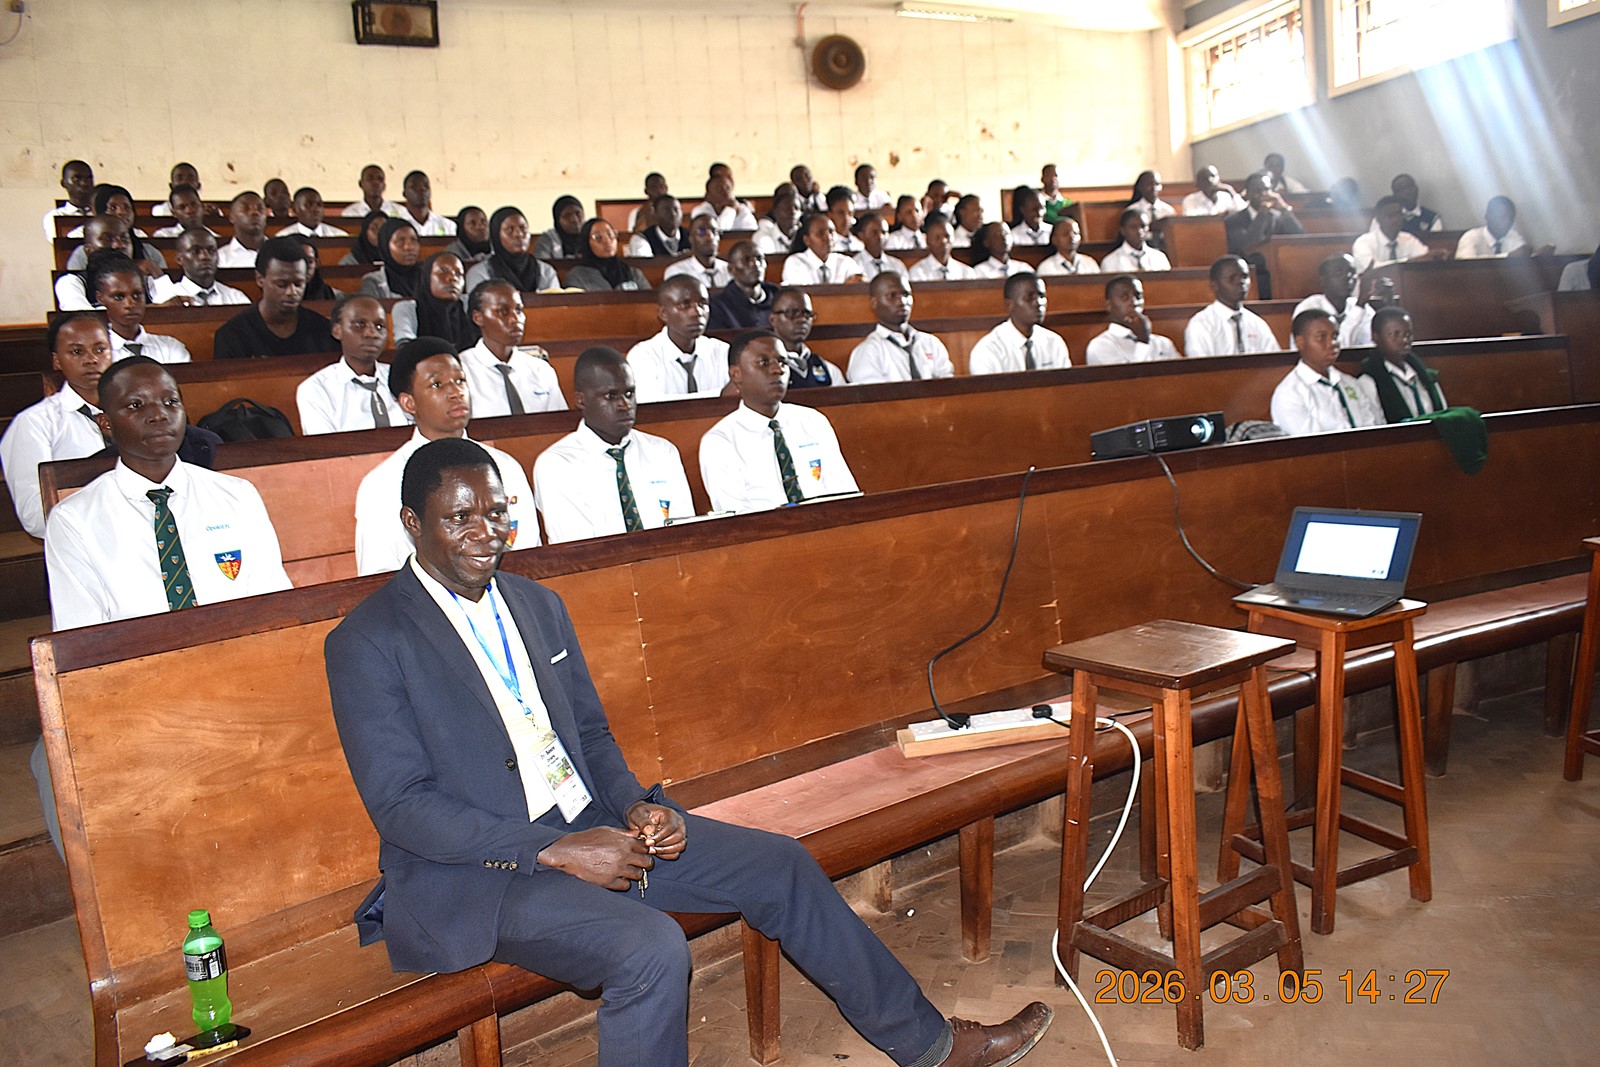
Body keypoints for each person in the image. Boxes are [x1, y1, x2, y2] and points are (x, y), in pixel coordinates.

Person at [328, 433, 1054, 1066]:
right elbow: (402, 807)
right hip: (486, 875)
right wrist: (554, 851)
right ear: (412, 523)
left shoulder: (535, 604)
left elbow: (590, 737)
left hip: (591, 828)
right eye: (461, 517)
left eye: (497, 510)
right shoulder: (369, 640)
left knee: (782, 863)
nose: (487, 531)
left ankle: (931, 1048)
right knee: (648, 948)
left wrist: (639, 804)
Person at [45, 354, 293, 626]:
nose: (159, 415)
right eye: (135, 405)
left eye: (170, 402)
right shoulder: (75, 519)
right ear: (106, 424)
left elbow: (273, 600)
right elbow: (80, 631)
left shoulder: (236, 495)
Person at [353, 339, 537, 575]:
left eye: (460, 380)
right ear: (408, 403)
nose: (455, 392)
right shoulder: (382, 483)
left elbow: (529, 554)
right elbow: (379, 575)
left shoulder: (505, 466)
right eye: (437, 384)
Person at [532, 347, 695, 543]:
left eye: (629, 393)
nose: (625, 405)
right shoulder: (556, 465)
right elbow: (575, 548)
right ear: (581, 400)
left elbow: (686, 529)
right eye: (611, 396)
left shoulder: (662, 451)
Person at [702, 332, 861, 512]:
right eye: (763, 362)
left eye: (783, 362)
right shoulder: (720, 441)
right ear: (736, 374)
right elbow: (736, 520)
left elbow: (847, 495)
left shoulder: (813, 421)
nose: (778, 369)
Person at [1, 313, 113, 537]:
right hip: (83, 544)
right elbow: (35, 517)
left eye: (100, 349)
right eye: (77, 351)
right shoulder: (34, 423)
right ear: (57, 360)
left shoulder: (134, 412)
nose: (91, 359)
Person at [296, 295, 413, 435]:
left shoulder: (402, 378)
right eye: (359, 325)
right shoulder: (316, 389)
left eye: (379, 326)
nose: (372, 333)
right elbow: (326, 449)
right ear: (337, 331)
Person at [213, 238, 340, 359]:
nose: (292, 292)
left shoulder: (323, 330)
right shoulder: (232, 336)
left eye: (298, 284)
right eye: (281, 285)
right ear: (260, 279)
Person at [457, 281, 567, 418]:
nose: (515, 319)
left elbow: (559, 424)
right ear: (478, 318)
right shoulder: (461, 371)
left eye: (519, 310)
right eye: (503, 311)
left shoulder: (541, 370)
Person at [1269, 309, 1383, 435]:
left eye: (1335, 337)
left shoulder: (1350, 383)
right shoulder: (1290, 394)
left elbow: (1372, 426)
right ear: (1300, 343)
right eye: (1321, 337)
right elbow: (1310, 444)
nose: (1332, 344)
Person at [626, 276, 730, 401]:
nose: (697, 312)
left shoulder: (721, 351)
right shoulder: (643, 356)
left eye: (702, 304)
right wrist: (721, 394)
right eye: (685, 305)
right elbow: (652, 405)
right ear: (664, 314)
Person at [847, 273, 955, 383]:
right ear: (874, 303)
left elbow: (948, 386)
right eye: (892, 296)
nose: (902, 302)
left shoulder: (930, 342)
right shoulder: (868, 352)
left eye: (906, 295)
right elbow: (874, 396)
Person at [89, 253, 192, 364]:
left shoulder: (170, 347)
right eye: (119, 297)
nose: (130, 304)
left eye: (137, 295)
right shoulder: (95, 354)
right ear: (100, 298)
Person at [968, 273, 1071, 375]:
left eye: (1042, 296)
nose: (1038, 303)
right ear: (1010, 305)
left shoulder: (1054, 342)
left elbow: (1066, 386)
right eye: (1030, 298)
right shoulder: (988, 350)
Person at [1224, 171, 1305, 299]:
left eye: (1266, 190)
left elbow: (1300, 239)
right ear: (1247, 194)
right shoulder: (1233, 220)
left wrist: (1284, 208)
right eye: (1257, 191)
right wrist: (1262, 214)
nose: (1262, 195)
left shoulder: (1279, 217)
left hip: (1279, 274)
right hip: (1250, 275)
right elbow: (1248, 244)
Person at [1358, 306, 1447, 422]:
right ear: (1376, 337)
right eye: (1395, 334)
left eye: (1408, 334)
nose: (1404, 340)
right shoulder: (1369, 380)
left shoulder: (1423, 373)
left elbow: (1443, 412)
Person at [1184, 255, 1281, 357]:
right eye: (1232, 278)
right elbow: (1201, 367)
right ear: (1215, 285)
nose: (1241, 282)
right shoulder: (1201, 324)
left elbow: (1273, 362)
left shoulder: (1256, 323)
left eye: (1245, 276)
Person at [1084, 276, 1180, 366]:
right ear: (1109, 305)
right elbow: (1130, 382)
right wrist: (1143, 341)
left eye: (1138, 296)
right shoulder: (1101, 346)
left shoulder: (1163, 343)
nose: (1134, 302)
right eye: (1124, 297)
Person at [466, 207, 561, 295]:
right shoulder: (480, 274)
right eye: (509, 230)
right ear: (496, 236)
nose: (518, 234)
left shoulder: (546, 271)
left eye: (523, 228)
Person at [392, 252, 477, 349]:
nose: (452, 278)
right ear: (427, 277)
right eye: (442, 271)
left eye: (458, 274)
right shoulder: (408, 308)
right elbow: (406, 348)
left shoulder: (469, 305)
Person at [1292, 254, 1373, 351]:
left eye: (1352, 272)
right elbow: (1337, 349)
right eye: (1338, 273)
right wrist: (1360, 305)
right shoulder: (1308, 308)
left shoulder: (1363, 308)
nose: (1347, 277)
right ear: (1322, 281)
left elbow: (1370, 346)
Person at [150, 227, 250, 306]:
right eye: (196, 251)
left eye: (211, 251)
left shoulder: (236, 297)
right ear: (179, 259)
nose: (205, 257)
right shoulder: (166, 298)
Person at [55, 216, 134, 309]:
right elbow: (83, 317)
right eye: (107, 239)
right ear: (88, 250)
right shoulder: (70, 283)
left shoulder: (147, 282)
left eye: (124, 239)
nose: (118, 245)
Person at [771, 287, 844, 388]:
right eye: (792, 313)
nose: (801, 320)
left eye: (807, 314)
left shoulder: (827, 368)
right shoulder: (767, 368)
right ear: (772, 319)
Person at [708, 241, 779, 331]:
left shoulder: (779, 298)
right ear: (731, 269)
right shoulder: (717, 306)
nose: (756, 264)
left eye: (759, 258)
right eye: (746, 260)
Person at [566, 219, 650, 292]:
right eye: (598, 237)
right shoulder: (577, 276)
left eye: (610, 234)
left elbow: (649, 302)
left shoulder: (632, 273)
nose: (607, 241)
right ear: (586, 243)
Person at [1352, 196, 1429, 274]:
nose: (1396, 219)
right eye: (1390, 215)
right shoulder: (1363, 242)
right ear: (1378, 219)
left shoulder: (1409, 239)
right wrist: (1408, 262)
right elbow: (1373, 268)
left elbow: (1424, 259)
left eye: (1399, 214)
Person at [780, 214, 861, 286]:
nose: (829, 238)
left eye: (831, 232)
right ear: (807, 240)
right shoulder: (795, 262)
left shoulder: (846, 262)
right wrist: (843, 288)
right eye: (820, 233)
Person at [356, 218, 425, 299]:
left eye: (414, 240)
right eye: (400, 241)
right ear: (385, 246)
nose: (409, 247)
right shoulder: (374, 282)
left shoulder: (429, 277)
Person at [663, 214, 731, 289]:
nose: (710, 237)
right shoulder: (677, 272)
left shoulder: (730, 270)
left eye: (714, 231)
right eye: (701, 232)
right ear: (691, 238)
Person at [906, 214, 975, 283]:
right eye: (937, 237)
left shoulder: (967, 272)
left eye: (947, 236)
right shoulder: (918, 272)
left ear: (953, 238)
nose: (943, 241)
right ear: (927, 241)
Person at [1098, 208, 1170, 273]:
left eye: (1143, 226)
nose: (1139, 231)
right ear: (1123, 230)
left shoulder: (1159, 257)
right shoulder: (1111, 261)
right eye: (1133, 227)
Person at [1455, 197, 1531, 259]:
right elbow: (1466, 263)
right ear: (1487, 217)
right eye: (1502, 217)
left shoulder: (1513, 236)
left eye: (1510, 218)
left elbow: (1521, 256)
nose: (1507, 222)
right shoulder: (1471, 237)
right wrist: (1508, 256)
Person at [216, 191, 271, 269]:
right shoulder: (220, 258)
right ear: (232, 217)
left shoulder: (281, 251)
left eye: (260, 209)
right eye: (246, 208)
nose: (255, 212)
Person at [44, 159, 95, 241]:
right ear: (63, 183)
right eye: (76, 179)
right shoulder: (55, 216)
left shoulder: (103, 212)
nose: (84, 183)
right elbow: (62, 244)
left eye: (89, 178)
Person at [852, 214, 909, 282]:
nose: (880, 237)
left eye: (884, 232)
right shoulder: (854, 264)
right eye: (874, 232)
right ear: (861, 235)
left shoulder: (897, 265)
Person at [692, 173, 758, 231]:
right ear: (708, 196)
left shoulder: (741, 208)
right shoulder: (700, 211)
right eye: (719, 189)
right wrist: (730, 210)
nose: (725, 193)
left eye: (728, 188)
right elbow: (718, 233)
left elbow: (751, 231)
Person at [400, 170, 457, 236]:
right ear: (404, 194)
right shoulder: (395, 226)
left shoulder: (448, 226)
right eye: (414, 186)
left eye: (426, 185)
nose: (422, 189)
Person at [278, 186, 347, 238]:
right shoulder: (283, 237)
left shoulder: (339, 236)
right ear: (295, 209)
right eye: (308, 205)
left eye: (319, 205)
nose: (316, 209)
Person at [149, 183, 214, 238]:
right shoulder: (163, 236)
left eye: (194, 204)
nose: (190, 210)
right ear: (174, 213)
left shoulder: (214, 237)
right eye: (182, 207)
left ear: (202, 206)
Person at [294, 236, 340, 302]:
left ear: (316, 263)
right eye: (298, 261)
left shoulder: (328, 293)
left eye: (310, 261)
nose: (305, 267)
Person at [754, 191, 800, 256]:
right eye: (787, 208)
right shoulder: (763, 237)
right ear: (775, 212)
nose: (793, 212)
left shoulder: (805, 236)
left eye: (797, 208)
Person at [825, 186, 863, 254]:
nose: (846, 219)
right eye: (840, 213)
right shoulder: (826, 245)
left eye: (850, 213)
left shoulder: (860, 245)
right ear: (829, 215)